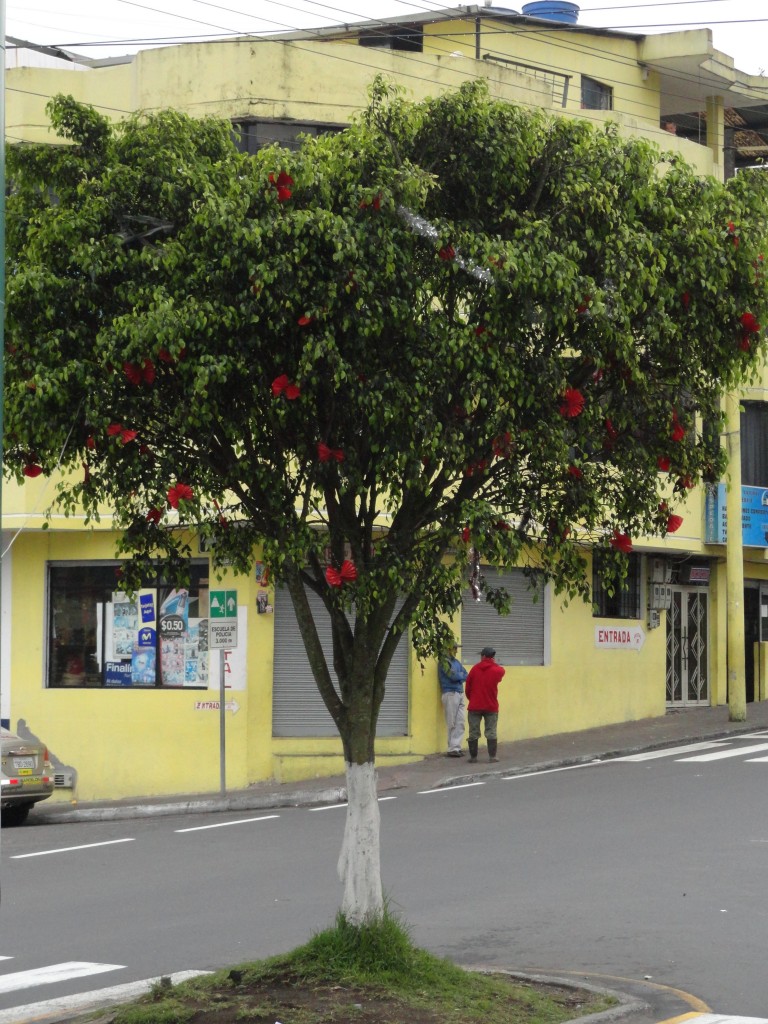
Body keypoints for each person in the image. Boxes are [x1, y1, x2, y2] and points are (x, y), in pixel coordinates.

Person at [465, 646, 505, 763]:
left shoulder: (474, 669)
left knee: (473, 731)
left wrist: (472, 698)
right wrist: (493, 663)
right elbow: (502, 671)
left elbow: (468, 687)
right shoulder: (497, 670)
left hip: (475, 705)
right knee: (491, 731)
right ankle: (492, 757)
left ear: (483, 656)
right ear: (492, 657)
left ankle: (473, 757)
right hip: (491, 705)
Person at [437, 644, 468, 757]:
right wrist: (460, 676)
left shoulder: (456, 662)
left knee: (460, 721)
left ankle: (456, 747)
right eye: (454, 648)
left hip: (459, 692)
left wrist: (459, 675)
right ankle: (452, 748)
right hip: (450, 693)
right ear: (448, 648)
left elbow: (466, 675)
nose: (456, 650)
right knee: (452, 722)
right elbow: (453, 676)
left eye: (456, 648)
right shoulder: (444, 662)